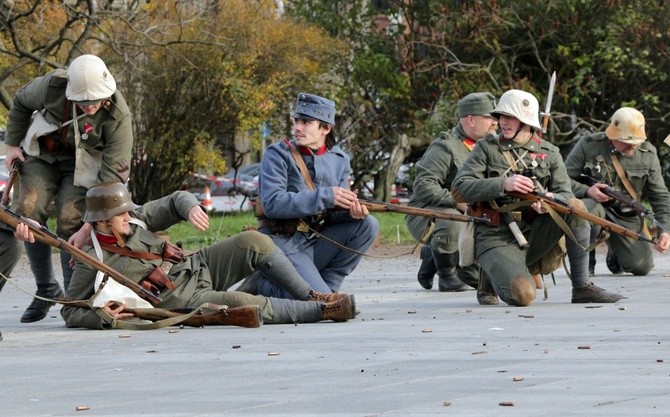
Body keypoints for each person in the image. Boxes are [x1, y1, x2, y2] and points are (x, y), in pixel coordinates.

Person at [42, 182, 356, 329]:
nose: (127, 217)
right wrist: (103, 317)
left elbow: (176, 199)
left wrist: (191, 206)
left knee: (254, 241)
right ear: (99, 221)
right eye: (119, 214)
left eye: (126, 211)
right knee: (240, 306)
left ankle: (312, 295)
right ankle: (322, 312)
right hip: (180, 300)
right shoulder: (91, 258)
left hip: (197, 265)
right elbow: (69, 311)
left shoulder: (137, 218)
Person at [451, 89, 624, 306]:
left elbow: (566, 194)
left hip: (534, 232)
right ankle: (491, 272)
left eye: (511, 117)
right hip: (496, 234)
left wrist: (551, 201)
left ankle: (582, 287)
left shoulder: (549, 152)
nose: (503, 122)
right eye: (502, 116)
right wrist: (503, 184)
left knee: (574, 206)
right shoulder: (487, 147)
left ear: (526, 122)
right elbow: (460, 188)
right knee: (523, 296)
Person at [3, 54, 134, 323]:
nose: (89, 108)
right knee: (26, 210)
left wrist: (90, 225)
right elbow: (20, 101)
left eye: (94, 102)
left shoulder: (119, 117)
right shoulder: (52, 86)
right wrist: (13, 144)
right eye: (83, 102)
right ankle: (46, 288)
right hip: (43, 156)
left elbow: (111, 183)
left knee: (71, 218)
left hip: (85, 168)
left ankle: (72, 299)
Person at [248, 93, 379, 299]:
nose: (298, 127)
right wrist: (327, 196)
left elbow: (334, 216)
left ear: (326, 128)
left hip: (313, 241)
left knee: (368, 225)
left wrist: (351, 214)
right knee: (317, 302)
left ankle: (328, 287)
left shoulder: (339, 160)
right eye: (297, 121)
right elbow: (273, 203)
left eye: (307, 122)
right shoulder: (278, 154)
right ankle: (264, 286)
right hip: (282, 243)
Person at [405, 92, 498, 296]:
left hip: (473, 215)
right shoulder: (446, 147)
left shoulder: (491, 147)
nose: (495, 123)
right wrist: (458, 202)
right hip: (426, 214)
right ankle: (447, 275)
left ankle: (433, 256)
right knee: (453, 220)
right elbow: (423, 186)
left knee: (479, 277)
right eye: (490, 117)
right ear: (470, 120)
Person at [564, 107, 670, 275]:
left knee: (642, 267)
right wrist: (586, 191)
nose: (632, 144)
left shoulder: (648, 153)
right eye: (627, 141)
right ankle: (586, 258)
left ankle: (616, 250)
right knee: (586, 208)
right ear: (612, 135)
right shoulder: (589, 145)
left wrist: (665, 230)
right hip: (593, 207)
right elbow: (562, 180)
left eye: (636, 141)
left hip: (624, 214)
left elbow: (660, 195)